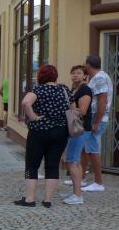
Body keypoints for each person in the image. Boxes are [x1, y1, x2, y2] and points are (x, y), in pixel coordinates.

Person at [14, 65, 70, 208]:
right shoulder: (64, 90)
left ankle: (30, 199)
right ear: (55, 76)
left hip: (39, 131)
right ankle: (48, 200)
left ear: (41, 76)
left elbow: (25, 102)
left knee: (32, 164)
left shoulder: (38, 90)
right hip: (60, 132)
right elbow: (73, 108)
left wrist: (33, 117)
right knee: (52, 165)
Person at [81, 55, 113, 192]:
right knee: (87, 149)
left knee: (93, 150)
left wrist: (96, 122)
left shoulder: (99, 78)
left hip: (96, 118)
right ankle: (82, 178)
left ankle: (98, 182)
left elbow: (102, 101)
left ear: (88, 65)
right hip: (94, 118)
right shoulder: (97, 77)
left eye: (85, 65)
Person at [62, 65, 92, 205]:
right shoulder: (74, 89)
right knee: (76, 161)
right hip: (75, 129)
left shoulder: (85, 90)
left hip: (80, 129)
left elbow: (82, 111)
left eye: (79, 73)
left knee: (72, 161)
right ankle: (76, 191)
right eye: (73, 73)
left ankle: (77, 195)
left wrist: (69, 103)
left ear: (85, 76)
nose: (75, 75)